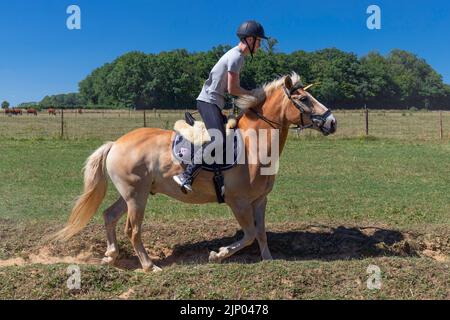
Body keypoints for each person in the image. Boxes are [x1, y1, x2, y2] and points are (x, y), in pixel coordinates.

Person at [173, 20, 268, 192]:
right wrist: (254, 94)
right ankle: (187, 175)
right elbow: (233, 89)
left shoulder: (236, 55)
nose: (260, 45)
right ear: (250, 40)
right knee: (219, 139)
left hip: (213, 102)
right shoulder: (237, 57)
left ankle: (221, 178)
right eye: (259, 41)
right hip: (208, 101)